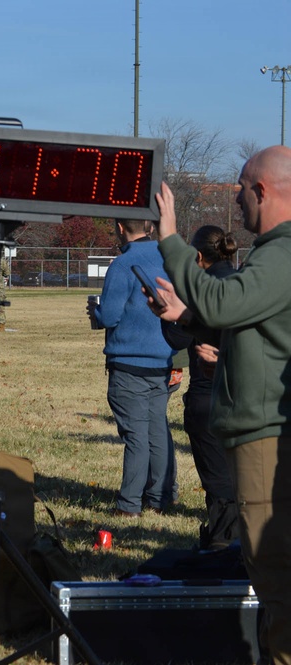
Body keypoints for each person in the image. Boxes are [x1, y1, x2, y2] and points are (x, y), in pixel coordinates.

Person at [151, 148, 291, 664]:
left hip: (268, 437)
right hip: (264, 431)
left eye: (240, 188)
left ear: (262, 191)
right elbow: (256, 330)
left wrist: (170, 239)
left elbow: (223, 302)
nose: (234, 198)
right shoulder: (275, 255)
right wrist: (189, 318)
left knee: (275, 576)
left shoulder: (281, 254)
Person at [86, 218, 175, 518]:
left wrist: (95, 312)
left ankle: (129, 504)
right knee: (157, 431)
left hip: (129, 362)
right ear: (149, 226)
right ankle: (160, 497)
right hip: (163, 359)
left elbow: (110, 316)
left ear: (120, 228)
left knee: (136, 435)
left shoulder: (123, 264)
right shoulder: (169, 259)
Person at [158, 225, 239, 551]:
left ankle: (223, 544)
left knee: (219, 483)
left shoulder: (203, 289)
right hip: (242, 397)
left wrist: (169, 311)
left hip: (208, 396)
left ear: (198, 256)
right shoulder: (241, 283)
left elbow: (176, 338)